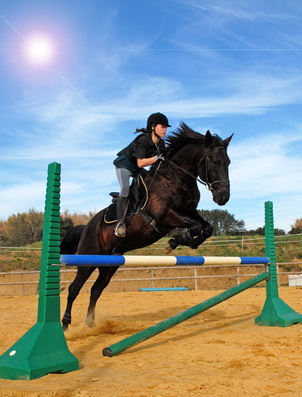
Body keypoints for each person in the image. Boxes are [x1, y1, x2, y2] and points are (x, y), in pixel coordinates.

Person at [113, 112, 171, 237]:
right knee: (125, 189)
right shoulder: (143, 139)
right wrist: (157, 158)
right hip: (125, 166)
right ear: (153, 127)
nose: (165, 129)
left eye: (166, 127)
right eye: (163, 126)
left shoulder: (161, 143)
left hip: (137, 169)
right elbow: (140, 163)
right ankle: (120, 224)